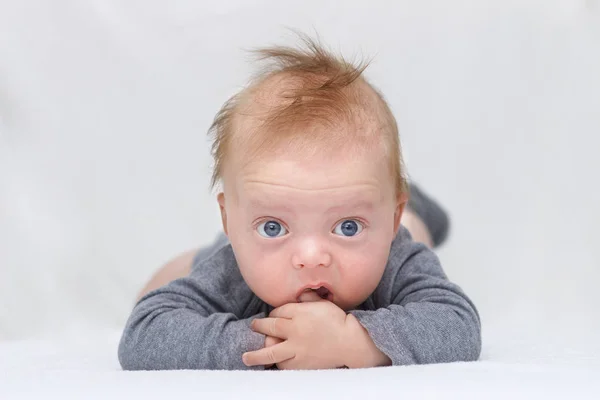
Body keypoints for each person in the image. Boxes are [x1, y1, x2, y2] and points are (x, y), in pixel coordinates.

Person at [118, 35, 481, 371]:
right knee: (158, 284)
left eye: (348, 226)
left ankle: (415, 212)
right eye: (273, 227)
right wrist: (276, 340)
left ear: (389, 221)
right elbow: (144, 333)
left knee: (416, 235)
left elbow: (457, 323)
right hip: (228, 249)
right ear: (229, 220)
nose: (311, 257)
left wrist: (355, 342)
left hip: (396, 226)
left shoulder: (397, 258)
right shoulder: (232, 267)